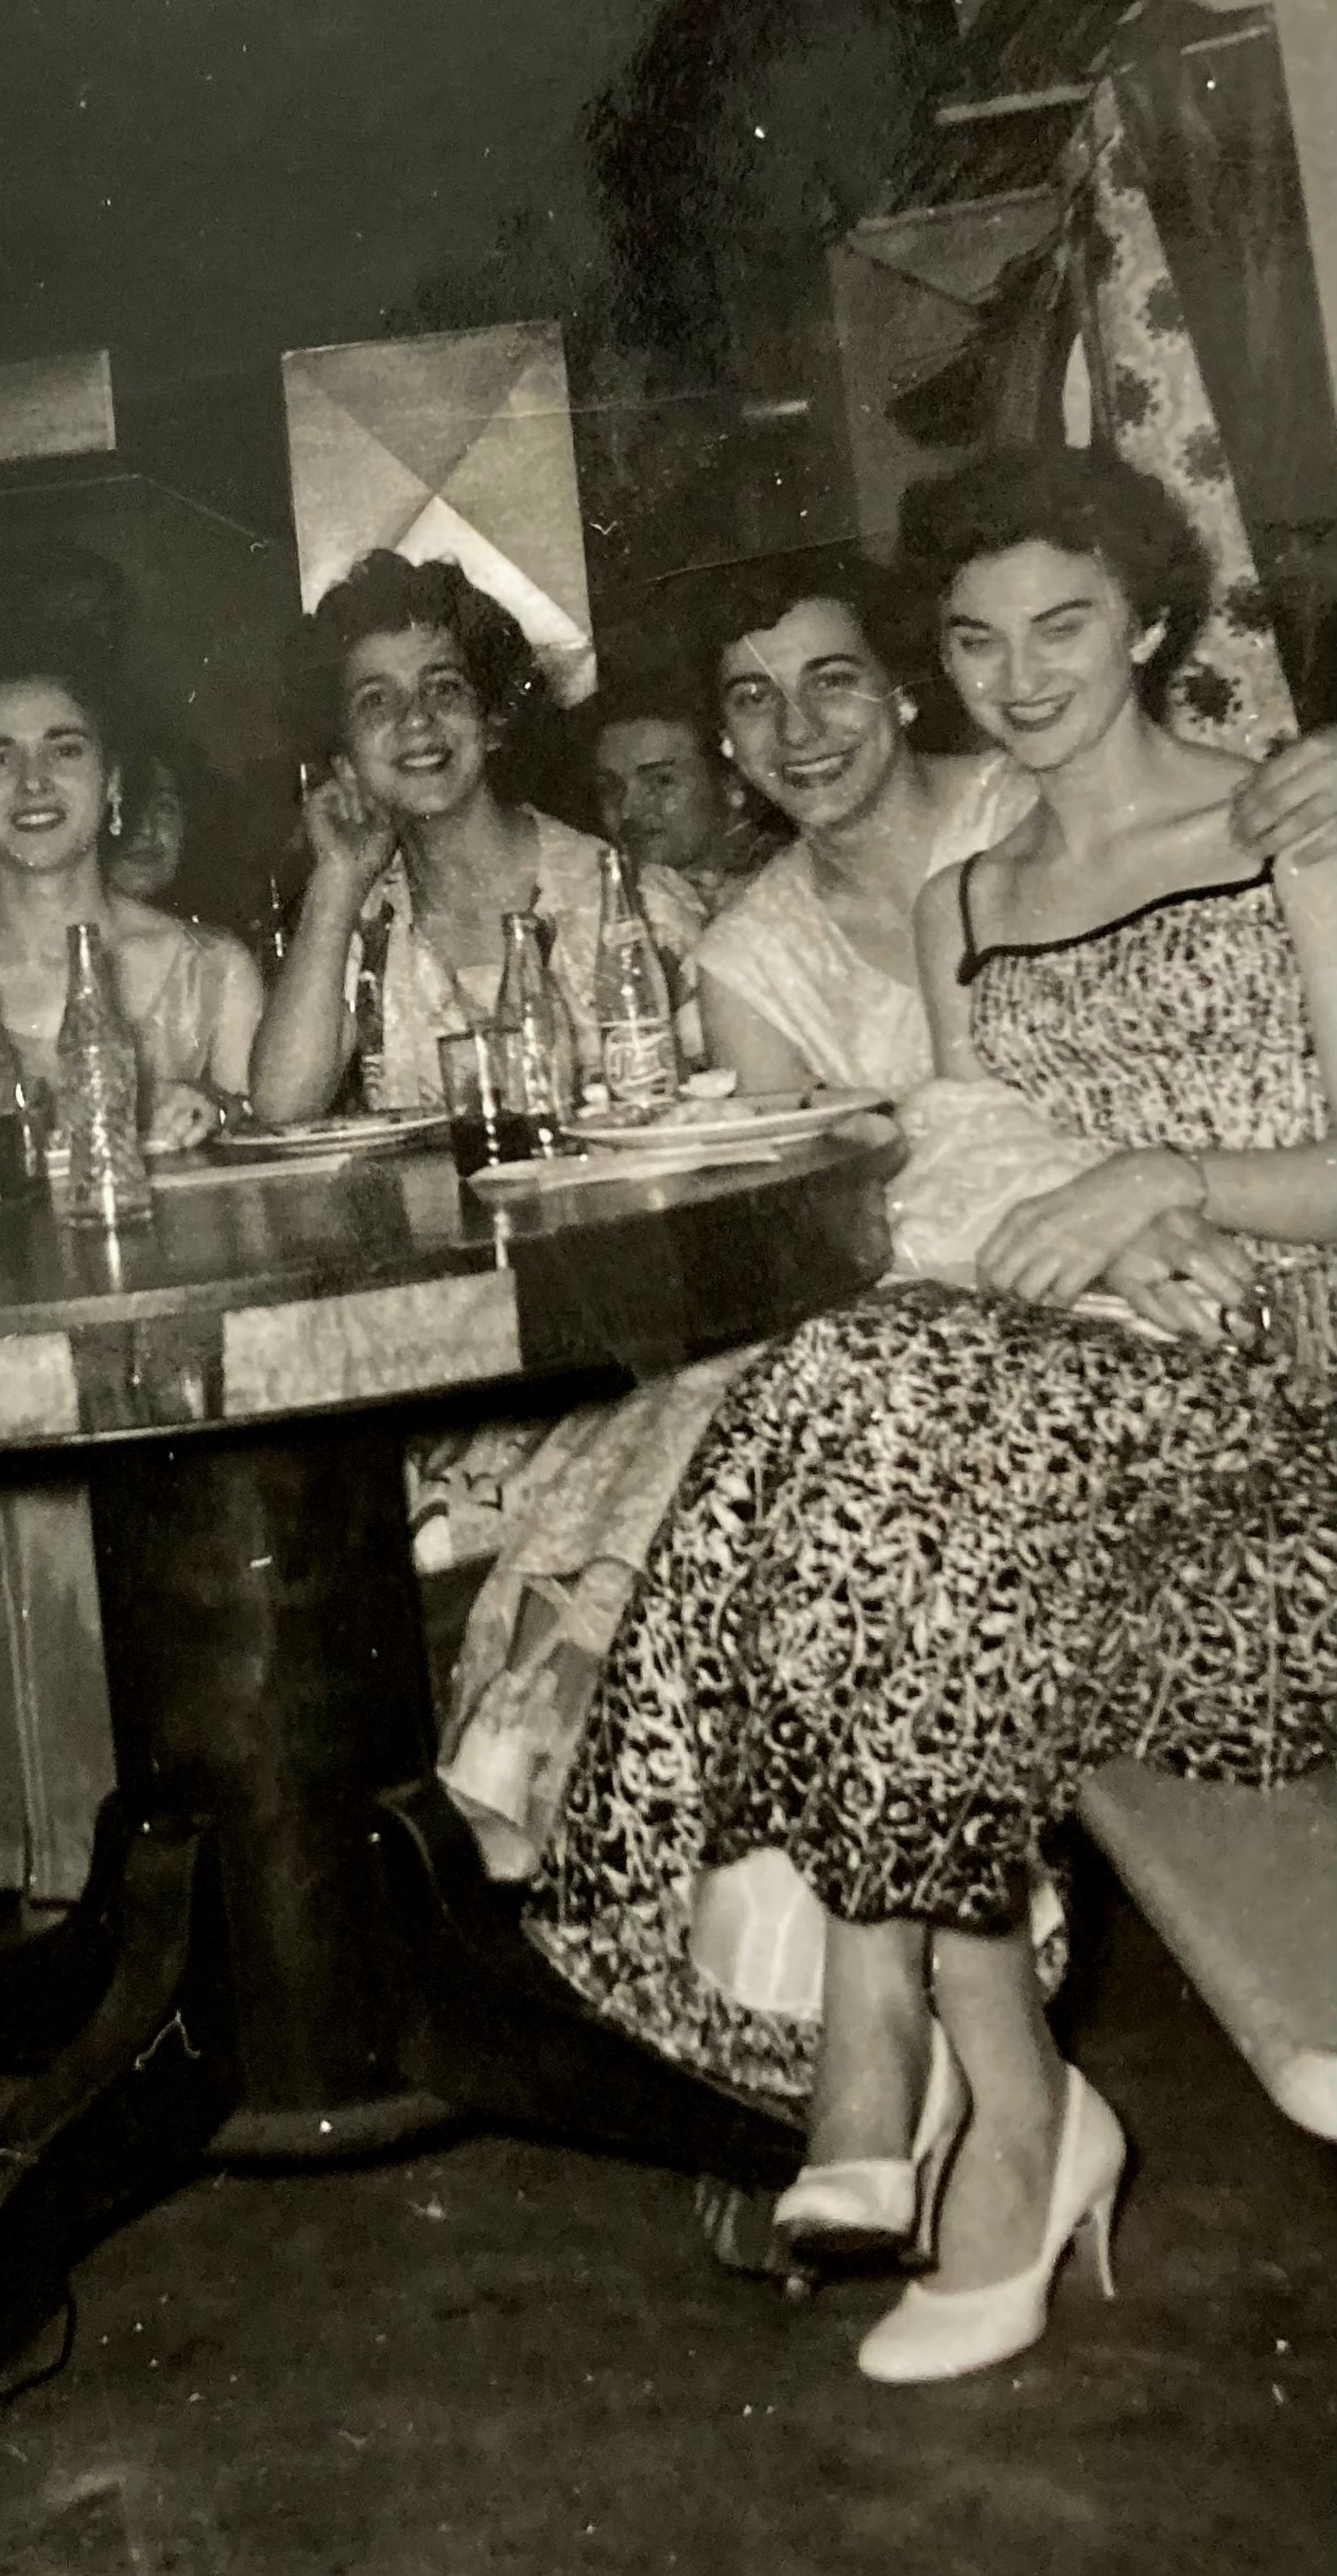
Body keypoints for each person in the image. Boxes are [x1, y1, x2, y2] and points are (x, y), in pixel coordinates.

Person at [530, 444, 1337, 2382]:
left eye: (1060, 624)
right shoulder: (964, 902)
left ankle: (900, 2055)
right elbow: (963, 1188)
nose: (1017, 673)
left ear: (1148, 619)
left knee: (863, 1418)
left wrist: (1165, 1180)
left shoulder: (1289, 832)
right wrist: (1047, 1234)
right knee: (884, 1434)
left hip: (1280, 1491)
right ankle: (953, 2071)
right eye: (973, 640)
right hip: (1069, 1486)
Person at [439, 549, 1040, 1871]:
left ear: (899, 691)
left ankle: (593, 1769)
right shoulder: (748, 949)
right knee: (690, 1408)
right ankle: (590, 1807)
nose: (797, 730)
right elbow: (785, 1224)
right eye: (754, 700)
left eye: (831, 682)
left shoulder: (1022, 816)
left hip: (1053, 1274)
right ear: (724, 734)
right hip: (891, 1305)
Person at [0, 626, 262, 1922]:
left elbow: (272, 1222)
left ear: (113, 780)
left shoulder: (207, 970)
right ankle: (31, 1907)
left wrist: (215, 1131)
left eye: (63, 749)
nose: (32, 783)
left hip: (190, 1385)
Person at [249, 549, 702, 1127]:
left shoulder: (635, 903)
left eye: (444, 689)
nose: (416, 720)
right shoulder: (363, 929)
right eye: (376, 701)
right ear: (345, 761)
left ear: (492, 723)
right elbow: (282, 1105)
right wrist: (337, 879)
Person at [588, 655, 782, 914]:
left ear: (729, 783)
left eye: (661, 781)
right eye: (610, 788)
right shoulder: (600, 899)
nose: (628, 810)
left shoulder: (780, 890)